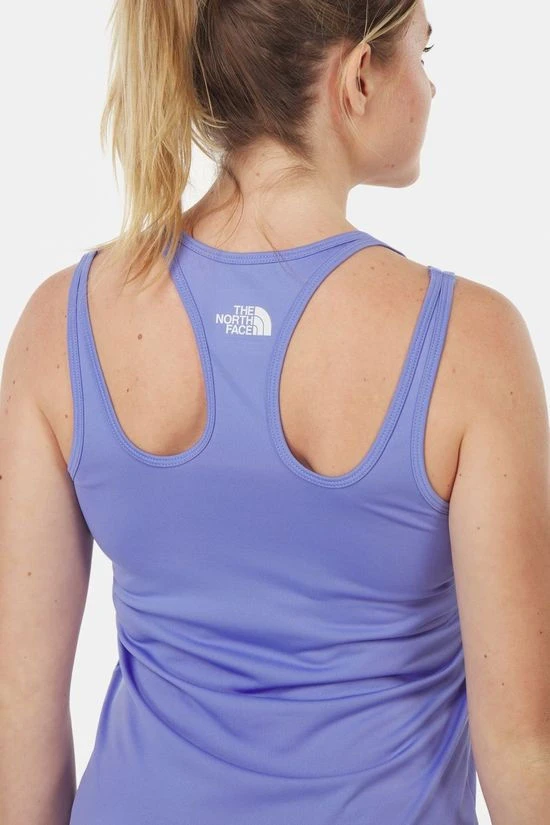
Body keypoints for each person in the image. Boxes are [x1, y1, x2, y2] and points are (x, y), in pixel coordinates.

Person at [1, 0, 548, 823]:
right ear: (357, 79)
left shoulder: (62, 323)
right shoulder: (473, 344)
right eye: (423, 52)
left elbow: (19, 711)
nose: (431, 87)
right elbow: (524, 749)